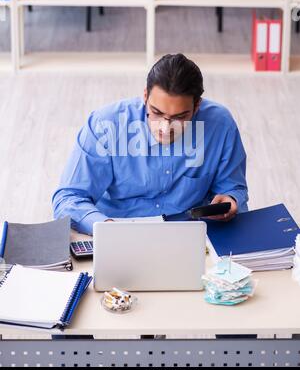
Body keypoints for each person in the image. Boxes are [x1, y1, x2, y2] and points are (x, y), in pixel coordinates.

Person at [52, 53, 248, 235]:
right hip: (118, 233)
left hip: (189, 236)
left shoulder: (220, 125)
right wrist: (106, 228)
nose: (165, 127)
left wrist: (230, 200)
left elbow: (233, 188)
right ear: (145, 96)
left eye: (179, 117)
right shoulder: (105, 125)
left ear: (197, 106)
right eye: (156, 112)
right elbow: (68, 199)